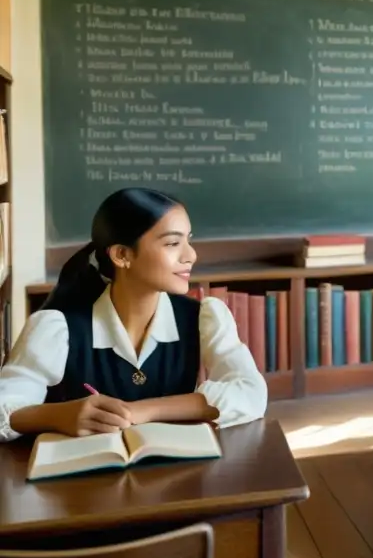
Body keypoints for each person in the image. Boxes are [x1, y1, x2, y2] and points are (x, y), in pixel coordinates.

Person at [0, 188, 267, 443]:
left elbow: (250, 393)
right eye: (173, 243)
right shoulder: (57, 328)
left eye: (189, 240)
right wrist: (60, 415)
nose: (191, 255)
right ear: (122, 254)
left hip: (174, 476)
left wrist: (139, 411)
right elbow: (4, 406)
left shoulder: (203, 317)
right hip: (81, 483)